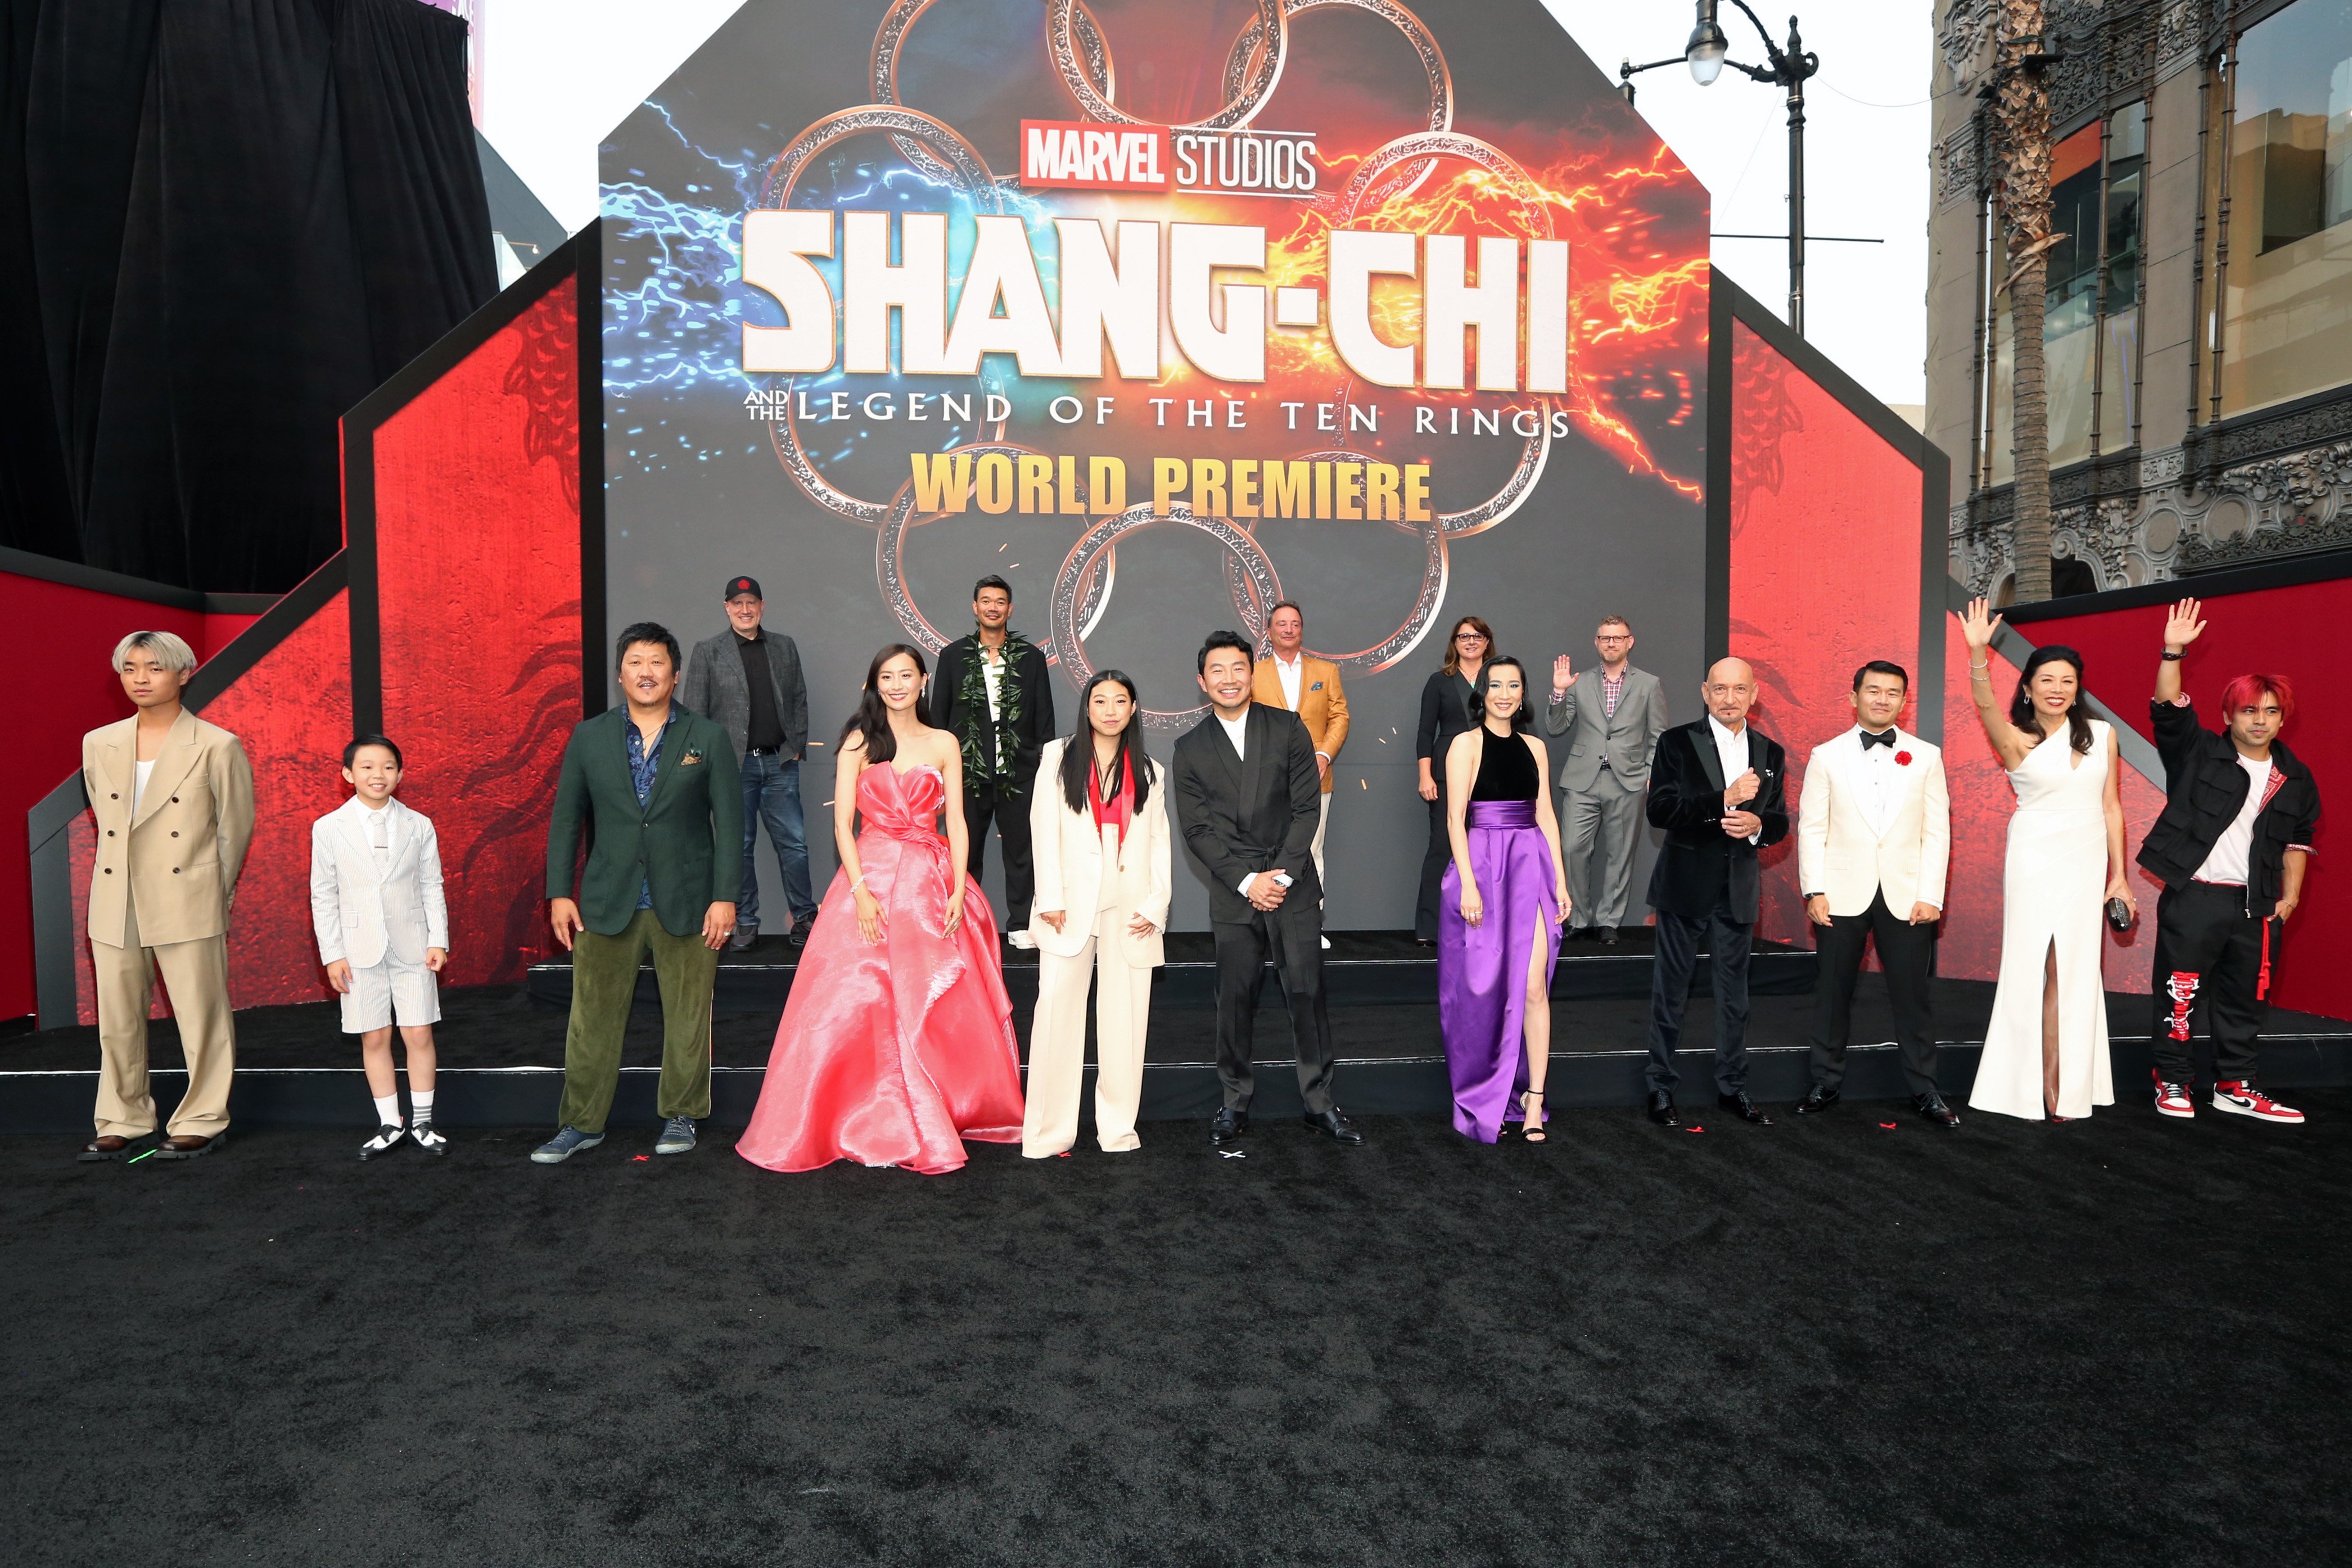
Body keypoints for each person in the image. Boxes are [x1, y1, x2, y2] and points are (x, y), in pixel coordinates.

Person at [737, 645, 1024, 1173]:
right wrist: (861, 891)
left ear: (923, 680)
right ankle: (860, 1115)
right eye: (886, 676)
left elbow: (956, 820)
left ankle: (943, 1105)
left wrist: (960, 885)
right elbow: (842, 824)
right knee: (858, 997)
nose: (896, 684)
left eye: (905, 675)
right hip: (868, 876)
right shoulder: (858, 741)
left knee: (933, 996)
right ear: (875, 684)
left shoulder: (943, 742)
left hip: (930, 880)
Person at [535, 624, 742, 1163]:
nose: (646, 672)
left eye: (657, 663)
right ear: (620, 673)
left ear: (675, 674)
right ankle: (580, 1123)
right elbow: (565, 820)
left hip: (690, 900)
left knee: (689, 1017)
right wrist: (560, 891)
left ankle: (682, 1114)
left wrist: (725, 896)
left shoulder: (708, 737)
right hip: (608, 899)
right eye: (635, 662)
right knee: (591, 1020)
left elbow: (731, 823)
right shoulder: (589, 736)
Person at [1173, 630, 1362, 1147]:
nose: (1229, 679)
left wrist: (1277, 876)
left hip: (1292, 884)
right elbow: (1197, 830)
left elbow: (1307, 809)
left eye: (1238, 668)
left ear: (1250, 674)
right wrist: (1245, 881)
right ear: (1201, 680)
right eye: (1217, 670)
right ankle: (1234, 1102)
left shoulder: (1287, 728)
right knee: (1234, 999)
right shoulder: (1188, 748)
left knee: (1307, 990)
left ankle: (1319, 1103)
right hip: (1234, 891)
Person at [2139, 599, 2319, 1124]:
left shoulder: (2295, 775)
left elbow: (2299, 839)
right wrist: (2172, 650)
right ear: (2228, 716)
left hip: (2256, 907)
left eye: (2269, 711)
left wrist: (2290, 897)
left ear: (2281, 718)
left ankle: (2235, 1086)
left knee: (2243, 1002)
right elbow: (2167, 709)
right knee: (2180, 996)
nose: (2259, 720)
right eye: (2248, 710)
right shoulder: (2197, 753)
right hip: (2196, 896)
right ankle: (2172, 1080)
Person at [78, 631, 255, 1162]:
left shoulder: (217, 744)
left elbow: (235, 829)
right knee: (118, 1017)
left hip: (186, 892)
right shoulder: (98, 741)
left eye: (154, 667)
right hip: (116, 894)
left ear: (183, 673)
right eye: (130, 667)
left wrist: (212, 892)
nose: (140, 678)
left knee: (201, 1014)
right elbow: (106, 818)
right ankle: (124, 1117)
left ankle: (202, 1116)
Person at [1959, 599, 2133, 1122]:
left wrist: (2119, 877)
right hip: (2033, 856)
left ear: (2077, 688)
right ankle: (2024, 1084)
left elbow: (2111, 807)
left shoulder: (2103, 735)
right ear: (2029, 687)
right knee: (2030, 965)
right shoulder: (2015, 740)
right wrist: (1976, 654)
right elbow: (1986, 705)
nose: (2057, 688)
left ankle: (2063, 1083)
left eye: (2068, 681)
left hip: (2085, 861)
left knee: (2073, 970)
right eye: (2047, 680)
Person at [1793, 662, 1960, 1126]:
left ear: (1904, 703)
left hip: (1908, 897)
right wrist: (1815, 889)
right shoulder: (1825, 755)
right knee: (1832, 993)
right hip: (1840, 892)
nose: (1882, 699)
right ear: (1854, 696)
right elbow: (1812, 828)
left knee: (1912, 997)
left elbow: (1937, 832)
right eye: (1873, 691)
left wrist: (1931, 894)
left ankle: (1924, 1089)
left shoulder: (1926, 755)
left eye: (1892, 693)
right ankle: (1825, 1081)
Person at [1023, 670, 1172, 1158]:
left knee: (1125, 1023)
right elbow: (1042, 827)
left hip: (1131, 903)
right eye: (1100, 700)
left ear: (1133, 710)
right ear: (1086, 707)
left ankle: (1117, 1130)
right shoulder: (1058, 756)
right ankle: (1048, 1133)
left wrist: (1156, 903)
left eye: (1120, 701)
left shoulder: (1151, 769)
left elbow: (1158, 843)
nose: (1110, 709)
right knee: (1056, 1017)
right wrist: (1049, 898)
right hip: (1068, 900)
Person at [1641, 657, 1788, 1128]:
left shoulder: (1770, 752)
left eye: (1738, 690)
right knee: (1670, 992)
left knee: (1735, 998)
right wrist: (1721, 799)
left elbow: (1781, 820)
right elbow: (1660, 809)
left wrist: (1758, 825)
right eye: (1720, 689)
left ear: (1754, 694)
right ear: (1705, 692)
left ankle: (1733, 1087)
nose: (1729, 698)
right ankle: (1660, 1087)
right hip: (1684, 885)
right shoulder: (1676, 742)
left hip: (1738, 887)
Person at [1439, 656, 1570, 1142]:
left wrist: (1559, 879)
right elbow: (1455, 819)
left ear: (1522, 693)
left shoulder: (1535, 746)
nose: (1504, 693)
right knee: (1481, 985)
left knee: (1535, 985)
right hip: (1483, 864)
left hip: (1529, 863)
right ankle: (1483, 1085)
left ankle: (1533, 1098)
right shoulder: (1465, 744)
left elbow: (1547, 817)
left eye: (1513, 685)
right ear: (1483, 692)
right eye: (1495, 685)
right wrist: (1469, 883)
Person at [311, 735, 451, 1159]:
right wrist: (332, 953)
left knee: (418, 1031)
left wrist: (438, 939)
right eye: (368, 766)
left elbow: (432, 885)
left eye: (388, 766)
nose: (379, 774)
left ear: (401, 775)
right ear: (348, 774)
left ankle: (423, 1121)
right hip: (357, 950)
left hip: (413, 945)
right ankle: (391, 1122)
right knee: (374, 1036)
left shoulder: (419, 824)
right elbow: (323, 893)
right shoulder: (328, 827)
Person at [683, 575, 816, 949]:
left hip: (779, 764)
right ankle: (744, 919)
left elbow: (799, 701)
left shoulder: (784, 647)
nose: (745, 610)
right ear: (727, 608)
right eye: (737, 604)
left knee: (795, 844)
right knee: (737, 845)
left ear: (762, 606)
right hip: (732, 767)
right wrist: (706, 765)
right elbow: (695, 713)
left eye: (751, 603)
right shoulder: (708, 651)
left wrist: (797, 747)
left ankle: (805, 917)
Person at [932, 575, 1056, 946]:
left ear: (1009, 609)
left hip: (1018, 774)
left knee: (1021, 851)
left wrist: (1043, 768)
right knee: (965, 852)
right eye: (985, 600)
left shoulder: (1031, 658)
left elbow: (1044, 718)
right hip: (966, 775)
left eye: (999, 601)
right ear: (975, 607)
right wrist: (939, 772)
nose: (992, 607)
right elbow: (938, 718)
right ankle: (964, 922)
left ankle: (1020, 924)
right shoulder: (953, 657)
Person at [1545, 615, 1668, 945]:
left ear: (1630, 642)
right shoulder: (1578, 682)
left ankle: (1609, 922)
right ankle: (1579, 919)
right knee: (1571, 848)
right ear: (1597, 643)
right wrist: (1558, 693)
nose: (1611, 643)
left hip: (1628, 781)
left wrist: (1650, 773)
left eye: (1618, 638)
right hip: (1582, 779)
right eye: (1605, 638)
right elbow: (1557, 728)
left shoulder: (1648, 684)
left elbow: (1659, 735)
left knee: (1620, 853)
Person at [1252, 600, 1349, 941]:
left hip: (1316, 777)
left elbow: (1340, 717)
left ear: (1302, 630)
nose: (1289, 629)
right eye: (1281, 624)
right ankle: (1267, 930)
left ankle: (1310, 927)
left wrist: (1323, 754)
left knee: (1311, 851)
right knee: (1266, 851)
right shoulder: (1252, 672)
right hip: (1264, 780)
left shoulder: (1326, 671)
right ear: (1269, 630)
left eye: (1295, 623)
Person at [1414, 616, 1493, 942]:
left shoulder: (1499, 679)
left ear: (1487, 642)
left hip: (1491, 774)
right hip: (1446, 776)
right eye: (1463, 636)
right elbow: (1424, 730)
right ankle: (1429, 928)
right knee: (1442, 846)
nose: (1470, 641)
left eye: (1477, 636)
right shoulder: (1439, 681)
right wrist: (1425, 775)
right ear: (1454, 643)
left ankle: (1483, 925)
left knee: (1486, 849)